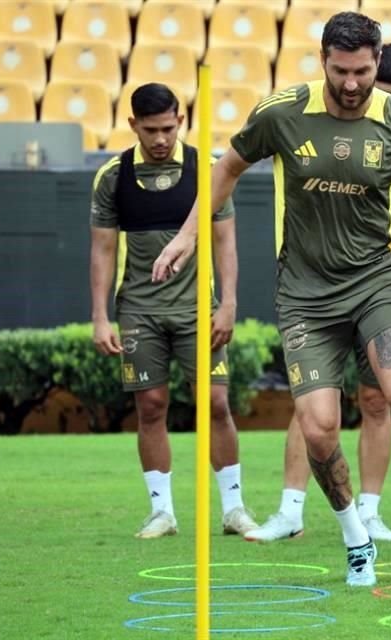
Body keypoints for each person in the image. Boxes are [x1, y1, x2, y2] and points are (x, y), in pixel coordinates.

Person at [149, 12, 391, 586]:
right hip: (304, 293)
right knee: (320, 427)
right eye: (341, 70)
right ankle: (356, 538)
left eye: (363, 71)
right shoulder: (280, 112)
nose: (352, 83)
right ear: (321, 58)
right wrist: (187, 236)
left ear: (378, 62)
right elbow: (226, 169)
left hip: (377, 279)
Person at [246, 42, 391, 545]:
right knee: (314, 406)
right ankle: (292, 508)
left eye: (385, 88)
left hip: (383, 279)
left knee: (385, 399)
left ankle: (371, 512)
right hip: (310, 284)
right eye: (348, 76)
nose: (361, 91)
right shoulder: (304, 122)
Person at [89, 83, 258, 539]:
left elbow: (225, 241)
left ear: (180, 121)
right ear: (133, 127)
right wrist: (101, 316)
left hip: (196, 309)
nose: (160, 138)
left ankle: (234, 509)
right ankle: (162, 512)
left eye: (167, 128)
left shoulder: (208, 171)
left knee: (216, 402)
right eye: (150, 130)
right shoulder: (113, 176)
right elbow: (103, 249)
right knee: (151, 406)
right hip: (139, 310)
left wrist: (228, 305)